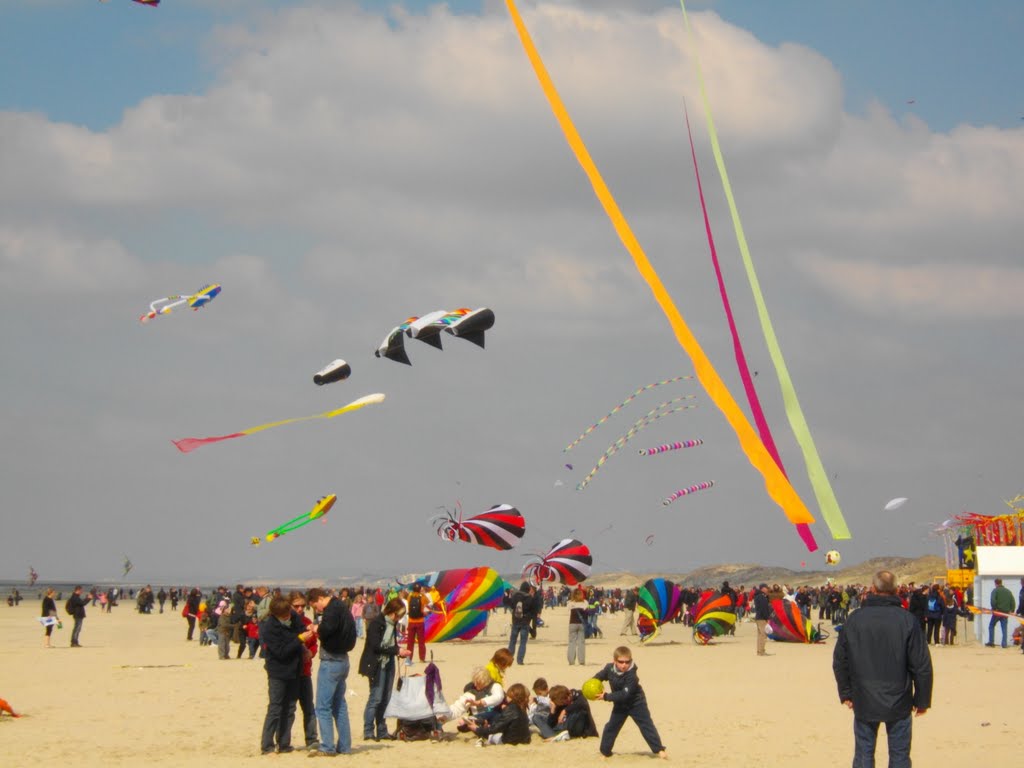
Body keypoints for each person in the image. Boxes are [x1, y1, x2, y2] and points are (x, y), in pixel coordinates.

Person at [833, 570, 933, 768]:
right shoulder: (904, 620)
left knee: (868, 753)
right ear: (896, 590)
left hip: (875, 696)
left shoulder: (859, 619)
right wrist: (922, 700)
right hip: (889, 697)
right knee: (896, 755)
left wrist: (846, 693)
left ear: (872, 589)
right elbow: (921, 665)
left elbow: (840, 661)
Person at [259, 595, 313, 755]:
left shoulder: (294, 617)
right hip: (277, 672)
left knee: (290, 708)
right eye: (284, 616)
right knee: (275, 708)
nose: (289, 616)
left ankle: (284, 743)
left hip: (294, 670)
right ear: (276, 615)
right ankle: (267, 745)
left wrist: (305, 640)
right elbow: (281, 652)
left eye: (289, 613)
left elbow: (300, 630)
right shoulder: (269, 627)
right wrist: (299, 640)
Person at [592, 646, 668, 759]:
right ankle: (605, 752)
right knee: (611, 727)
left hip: (636, 703)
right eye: (621, 662)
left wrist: (606, 696)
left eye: (627, 662)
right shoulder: (609, 668)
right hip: (620, 705)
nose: (624, 665)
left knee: (646, 726)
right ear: (615, 661)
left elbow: (624, 694)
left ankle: (659, 750)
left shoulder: (632, 675)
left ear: (630, 661)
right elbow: (599, 677)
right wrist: (592, 684)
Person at [308, 587, 358, 757]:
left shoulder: (332, 610)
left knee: (323, 707)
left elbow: (327, 629)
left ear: (320, 599)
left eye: (315, 606)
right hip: (343, 659)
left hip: (331, 661)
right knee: (339, 705)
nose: (316, 609)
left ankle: (327, 746)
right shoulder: (343, 607)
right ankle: (344, 746)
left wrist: (316, 629)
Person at [358, 597, 411, 741]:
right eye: (398, 615)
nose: (399, 618)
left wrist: (399, 651)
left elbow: (391, 644)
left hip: (389, 663)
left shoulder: (392, 625)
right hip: (376, 664)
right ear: (392, 612)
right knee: (375, 697)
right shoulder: (376, 623)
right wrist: (396, 650)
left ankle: (382, 730)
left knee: (386, 698)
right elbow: (376, 646)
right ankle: (368, 731)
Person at [288, 592, 319, 750]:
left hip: (305, 671)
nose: (300, 609)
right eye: (296, 606)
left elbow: (314, 644)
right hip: (290, 672)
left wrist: (310, 653)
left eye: (302, 606)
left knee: (308, 707)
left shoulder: (307, 622)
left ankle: (312, 738)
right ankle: (284, 741)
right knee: (289, 708)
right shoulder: (286, 623)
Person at [462, 682, 532, 745]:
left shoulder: (510, 709)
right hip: (525, 740)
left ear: (511, 695)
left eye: (507, 695)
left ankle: (482, 738)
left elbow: (495, 729)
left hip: (510, 741)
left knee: (492, 736)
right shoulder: (523, 708)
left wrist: (477, 729)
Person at [506, 582, 535, 665]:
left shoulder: (515, 596)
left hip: (515, 621)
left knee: (512, 641)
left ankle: (509, 660)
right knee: (522, 642)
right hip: (525, 622)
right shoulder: (529, 597)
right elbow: (533, 610)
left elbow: (511, 606)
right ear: (527, 589)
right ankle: (520, 660)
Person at [404, 583, 431, 665]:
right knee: (421, 641)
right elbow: (428, 601)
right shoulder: (422, 597)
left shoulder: (410, 596)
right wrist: (422, 593)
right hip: (420, 621)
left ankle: (409, 658)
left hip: (411, 621)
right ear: (419, 589)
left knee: (410, 642)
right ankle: (422, 658)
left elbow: (407, 600)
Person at [985, 578, 1015, 648]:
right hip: (1005, 613)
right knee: (1004, 628)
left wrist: (994, 608)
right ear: (1001, 583)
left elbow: (993, 600)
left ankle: (991, 642)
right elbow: (1012, 602)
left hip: (997, 612)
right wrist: (1012, 610)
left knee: (991, 626)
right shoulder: (1008, 591)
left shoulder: (995, 591)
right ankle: (1004, 644)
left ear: (995, 583)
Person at [567, 587, 588, 665]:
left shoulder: (570, 602)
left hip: (572, 623)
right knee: (581, 643)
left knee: (572, 642)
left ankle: (571, 661)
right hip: (581, 624)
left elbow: (567, 609)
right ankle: (581, 661)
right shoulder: (585, 602)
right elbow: (586, 610)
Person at [752, 583, 771, 657]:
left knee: (760, 635)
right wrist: (767, 618)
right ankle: (761, 651)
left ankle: (759, 651)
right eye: (766, 588)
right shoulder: (762, 597)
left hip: (758, 617)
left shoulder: (758, 596)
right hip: (762, 618)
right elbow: (764, 609)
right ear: (763, 588)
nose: (767, 589)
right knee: (763, 635)